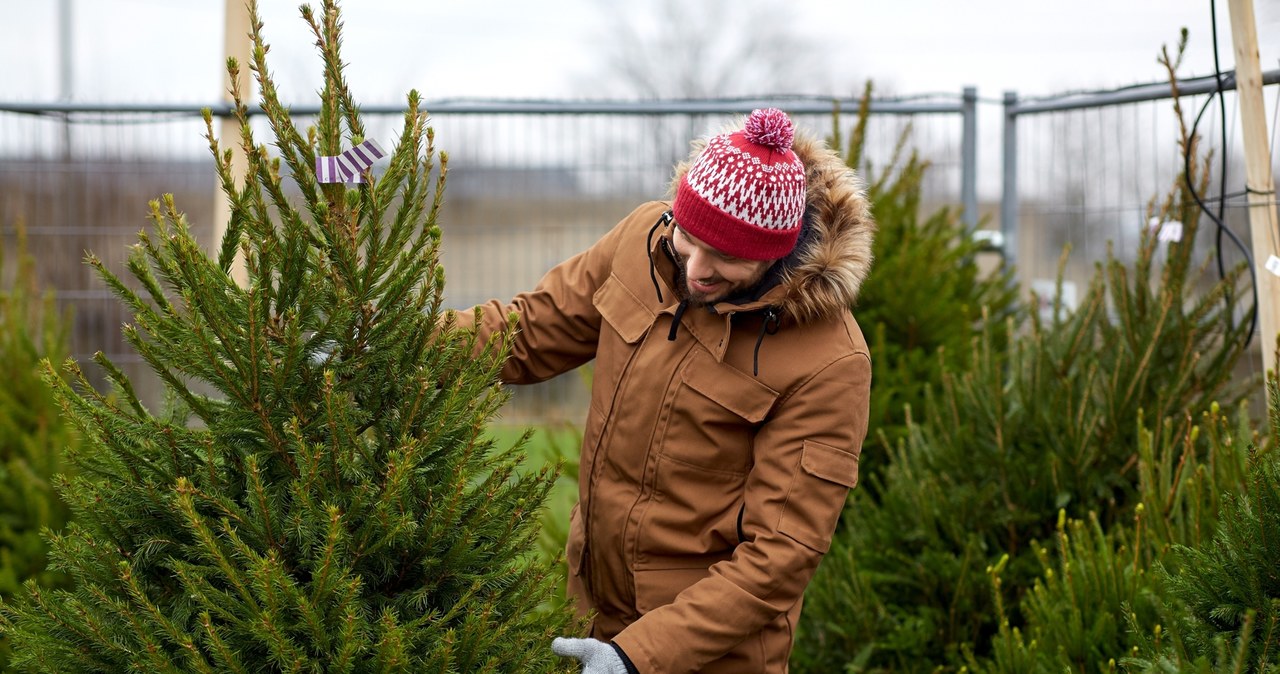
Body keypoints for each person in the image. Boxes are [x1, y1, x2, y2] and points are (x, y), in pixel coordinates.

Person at [450, 108, 874, 673]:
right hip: (594, 618)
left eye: (726, 256)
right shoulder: (642, 240)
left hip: (707, 654)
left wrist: (636, 659)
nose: (695, 269)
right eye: (689, 238)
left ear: (777, 251)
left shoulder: (829, 360)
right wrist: (384, 336)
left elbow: (779, 556)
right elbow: (527, 332)